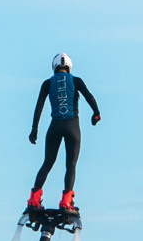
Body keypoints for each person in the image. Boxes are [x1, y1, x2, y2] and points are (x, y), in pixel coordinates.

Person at [26, 54, 101, 211]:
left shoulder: (47, 83)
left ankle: (34, 199)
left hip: (55, 126)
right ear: (69, 66)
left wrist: (34, 129)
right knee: (71, 163)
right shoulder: (76, 81)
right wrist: (96, 114)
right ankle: (66, 201)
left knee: (48, 162)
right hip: (72, 126)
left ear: (54, 67)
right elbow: (89, 97)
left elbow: (38, 106)